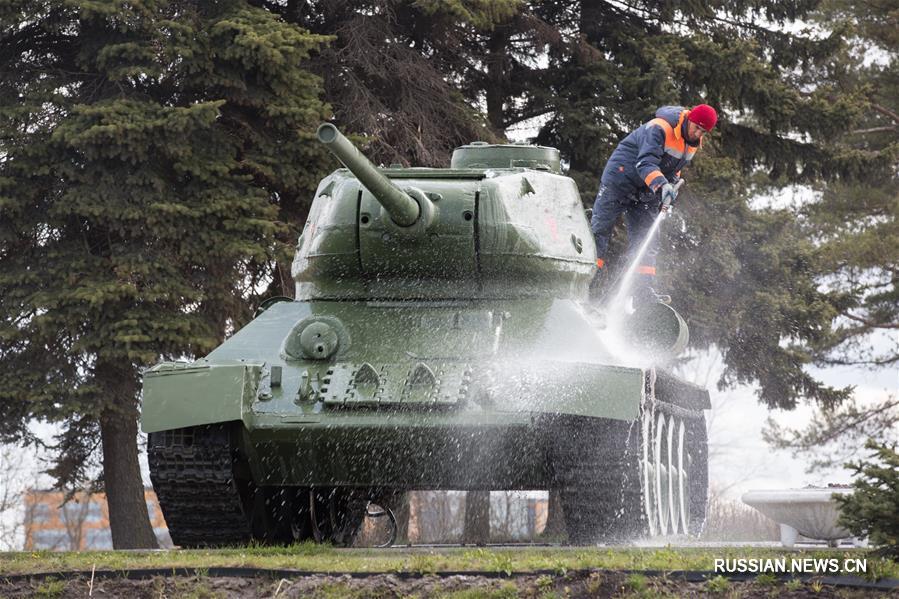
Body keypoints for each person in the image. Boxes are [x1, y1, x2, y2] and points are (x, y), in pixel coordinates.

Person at [590, 104, 717, 305]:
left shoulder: (692, 144)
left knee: (646, 241)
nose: (698, 133)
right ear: (689, 119)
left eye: (703, 131)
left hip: (647, 191)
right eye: (697, 127)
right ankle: (586, 289)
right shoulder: (660, 127)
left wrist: (670, 188)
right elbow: (645, 163)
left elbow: (674, 170)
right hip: (621, 179)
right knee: (600, 231)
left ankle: (642, 296)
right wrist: (661, 185)